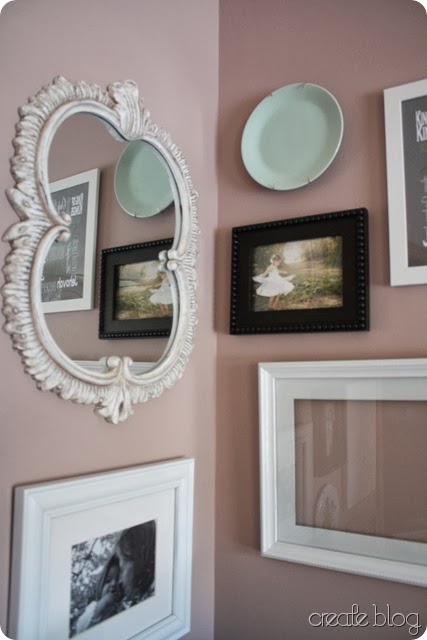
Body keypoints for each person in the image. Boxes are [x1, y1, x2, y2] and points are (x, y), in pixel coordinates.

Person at [75, 556, 124, 634]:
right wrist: (102, 604)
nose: (114, 583)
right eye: (108, 580)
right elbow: (80, 628)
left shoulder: (121, 606)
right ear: (100, 588)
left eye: (118, 579)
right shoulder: (94, 606)